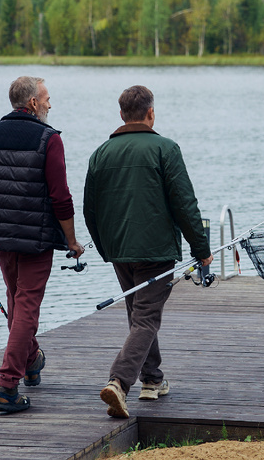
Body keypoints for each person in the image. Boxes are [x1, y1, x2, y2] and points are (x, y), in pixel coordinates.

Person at [83, 85, 212, 419]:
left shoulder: (100, 154)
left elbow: (90, 210)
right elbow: (185, 204)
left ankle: (152, 380)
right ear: (151, 113)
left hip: (120, 250)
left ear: (122, 115)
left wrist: (106, 247)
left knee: (139, 316)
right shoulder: (165, 149)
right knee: (146, 318)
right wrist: (202, 249)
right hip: (156, 251)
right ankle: (119, 382)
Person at [0, 75, 84, 414]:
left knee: (17, 301)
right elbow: (61, 197)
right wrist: (72, 241)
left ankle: (31, 360)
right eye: (46, 99)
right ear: (32, 103)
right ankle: (7, 385)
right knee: (26, 306)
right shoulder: (49, 139)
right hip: (35, 239)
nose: (49, 104)